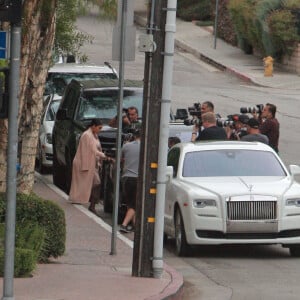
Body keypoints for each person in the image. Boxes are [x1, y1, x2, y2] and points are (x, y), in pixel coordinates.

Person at [68, 118, 112, 213]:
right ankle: (90, 204)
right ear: (93, 126)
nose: (100, 130)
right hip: (83, 162)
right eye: (99, 128)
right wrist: (105, 156)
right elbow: (93, 150)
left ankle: (92, 204)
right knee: (88, 183)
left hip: (91, 163)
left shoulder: (94, 135)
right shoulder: (87, 135)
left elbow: (97, 149)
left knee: (95, 183)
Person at [119, 129, 141, 233]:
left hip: (126, 178)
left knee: (130, 202)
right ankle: (124, 224)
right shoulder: (146, 147)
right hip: (137, 178)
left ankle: (135, 225)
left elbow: (120, 159)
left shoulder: (126, 146)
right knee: (134, 204)